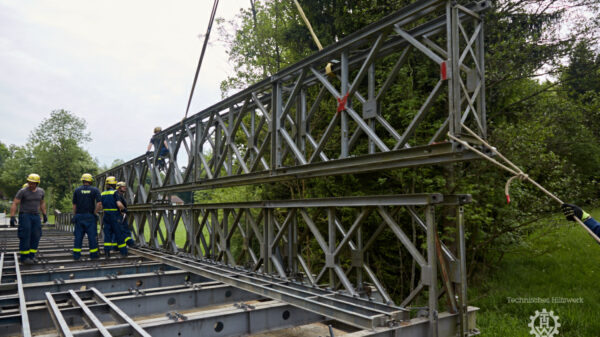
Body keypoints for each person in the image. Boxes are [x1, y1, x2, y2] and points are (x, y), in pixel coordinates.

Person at [9, 174, 47, 264]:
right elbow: (15, 203)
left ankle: (32, 256)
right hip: (25, 215)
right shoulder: (22, 191)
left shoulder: (41, 191)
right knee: (25, 235)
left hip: (36, 216)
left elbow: (42, 203)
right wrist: (12, 216)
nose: (31, 184)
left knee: (36, 235)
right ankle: (24, 257)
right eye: (30, 182)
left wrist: (44, 214)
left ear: (37, 183)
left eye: (33, 183)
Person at [72, 173, 102, 260]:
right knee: (92, 237)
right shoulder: (95, 190)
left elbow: (74, 205)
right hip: (90, 216)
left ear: (83, 180)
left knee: (78, 237)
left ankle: (76, 255)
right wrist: (95, 212)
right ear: (90, 181)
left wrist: (75, 215)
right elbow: (99, 203)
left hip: (79, 216)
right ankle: (93, 255)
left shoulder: (77, 190)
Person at [101, 176, 128, 258]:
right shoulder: (114, 193)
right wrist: (124, 210)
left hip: (106, 216)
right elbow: (119, 204)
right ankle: (123, 252)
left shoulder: (102, 193)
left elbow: (101, 205)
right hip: (115, 216)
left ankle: (107, 252)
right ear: (114, 184)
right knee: (119, 234)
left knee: (107, 235)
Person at [115, 181, 135, 247]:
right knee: (125, 230)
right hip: (121, 215)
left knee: (124, 230)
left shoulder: (120, 195)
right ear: (119, 188)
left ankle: (127, 243)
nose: (125, 188)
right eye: (123, 187)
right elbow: (118, 205)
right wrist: (123, 211)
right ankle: (130, 243)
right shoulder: (117, 195)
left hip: (121, 215)